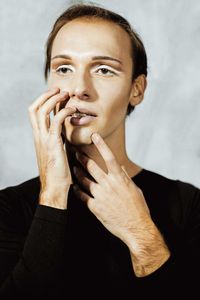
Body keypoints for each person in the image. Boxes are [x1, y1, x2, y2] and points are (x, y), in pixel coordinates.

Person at [0, 3, 199, 299]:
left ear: (137, 89)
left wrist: (140, 232)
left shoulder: (189, 206)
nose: (79, 88)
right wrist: (53, 195)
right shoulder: (10, 209)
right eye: (64, 68)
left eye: (104, 69)